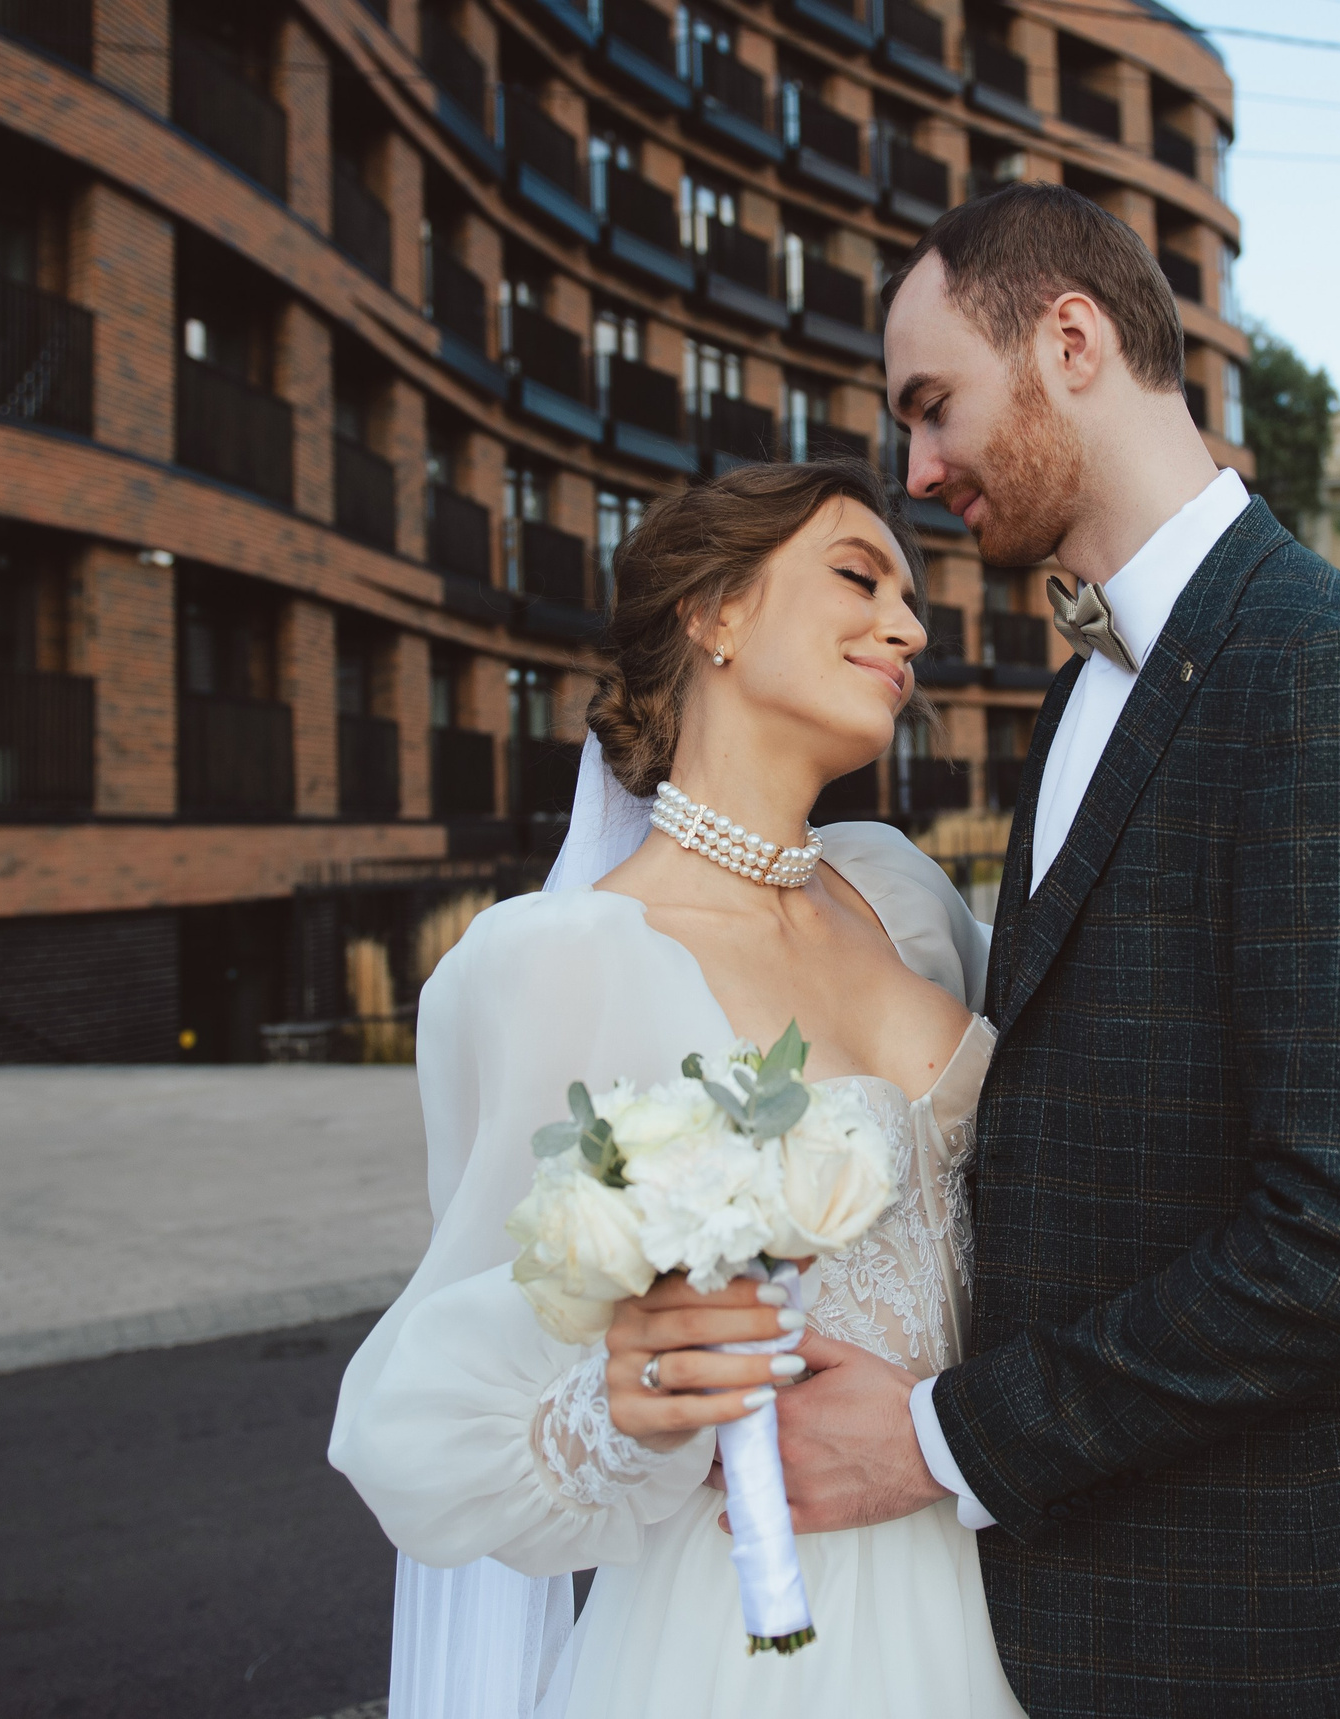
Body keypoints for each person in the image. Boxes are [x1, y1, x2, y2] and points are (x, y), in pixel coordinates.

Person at [762, 183, 1340, 1717]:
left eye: (934, 404)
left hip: (1269, 1632)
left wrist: (947, 1438)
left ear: (1072, 340)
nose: (919, 468)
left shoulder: (1328, 665)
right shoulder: (1081, 686)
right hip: (1084, 1615)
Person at [329, 456, 1025, 1718]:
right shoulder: (560, 961)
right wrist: (623, 1402)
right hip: (768, 1633)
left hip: (1006, 1565)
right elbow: (420, 1413)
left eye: (911, 596)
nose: (910, 626)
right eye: (859, 577)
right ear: (715, 613)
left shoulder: (901, 894)